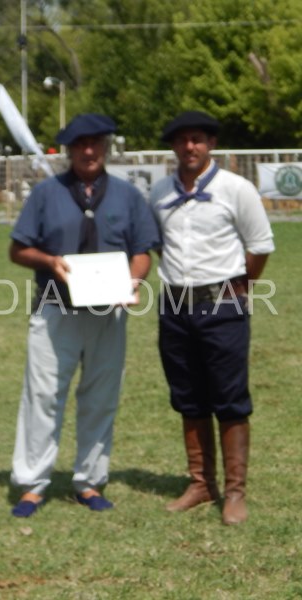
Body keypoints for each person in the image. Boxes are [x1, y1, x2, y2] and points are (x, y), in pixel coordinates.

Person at [9, 114, 160, 517]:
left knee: (100, 396)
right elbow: (18, 249)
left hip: (108, 312)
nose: (88, 151)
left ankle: (90, 481)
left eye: (95, 143)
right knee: (43, 396)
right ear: (69, 150)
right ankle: (32, 484)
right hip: (55, 308)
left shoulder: (128, 196)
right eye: (80, 144)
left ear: (106, 147)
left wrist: (133, 282)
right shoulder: (46, 193)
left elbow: (142, 250)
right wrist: (49, 261)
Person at [149, 111, 274, 525]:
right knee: (188, 394)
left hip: (223, 306)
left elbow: (260, 245)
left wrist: (239, 287)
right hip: (175, 307)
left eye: (197, 139)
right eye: (181, 140)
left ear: (211, 143)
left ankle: (235, 492)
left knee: (230, 396)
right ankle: (202, 483)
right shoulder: (159, 192)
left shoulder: (236, 189)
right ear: (173, 146)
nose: (189, 147)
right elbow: (158, 245)